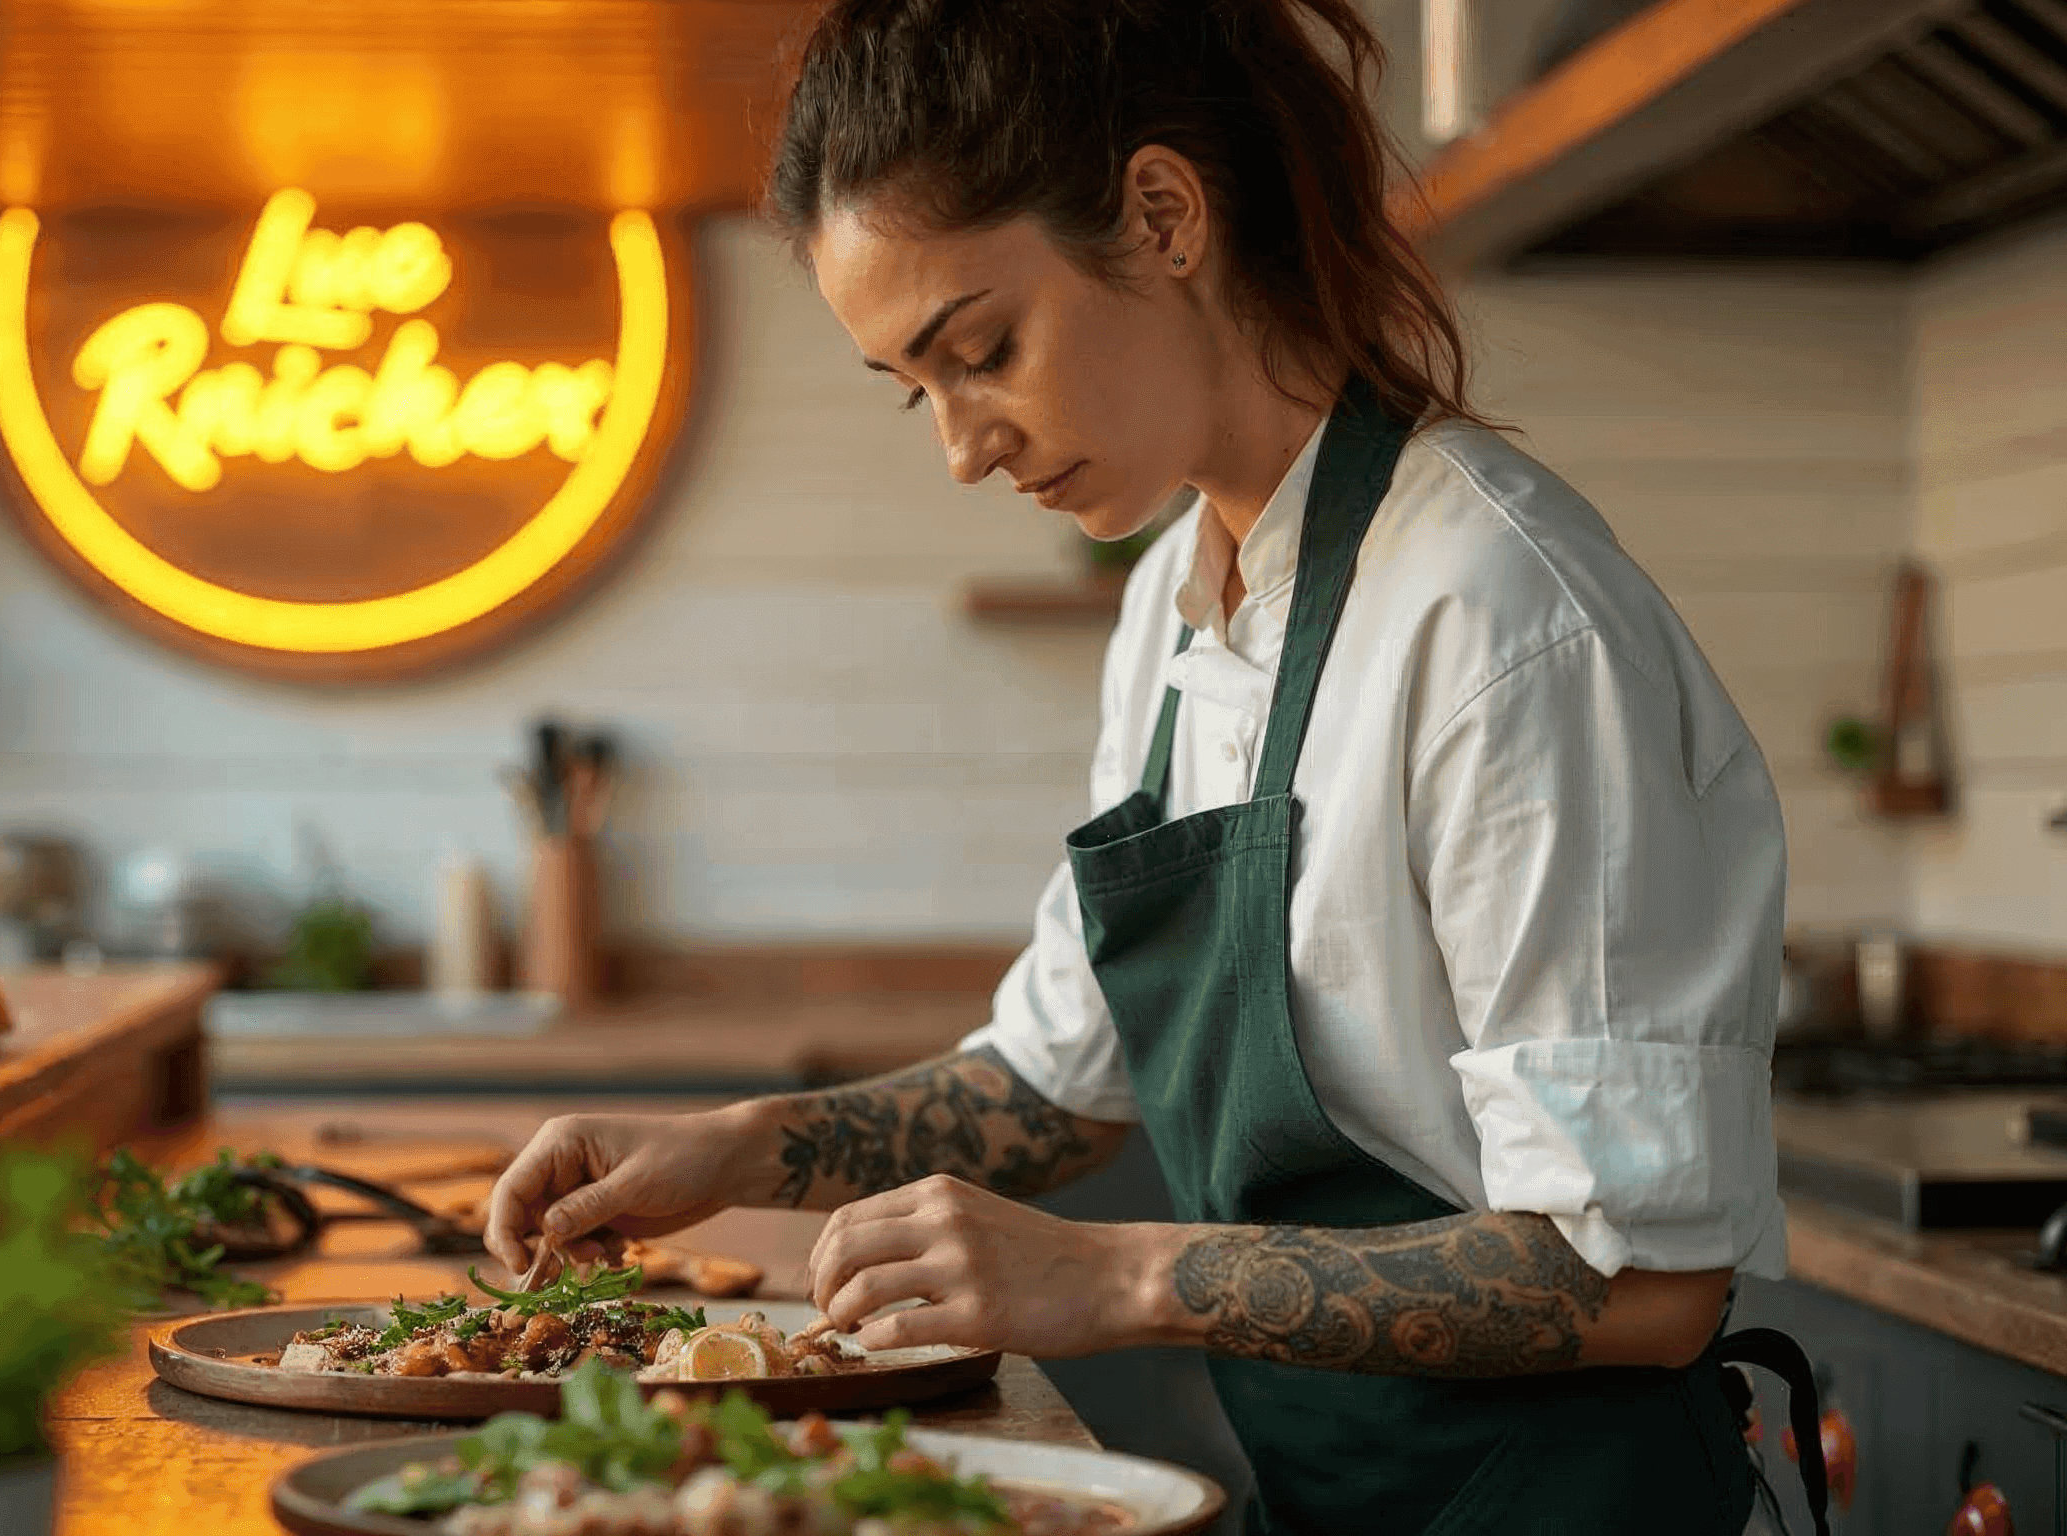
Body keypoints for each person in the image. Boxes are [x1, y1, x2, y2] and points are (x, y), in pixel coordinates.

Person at [484, 2, 1830, 1531]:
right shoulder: (1177, 609)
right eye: (915, 387)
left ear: (1165, 215)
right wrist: (735, 1151)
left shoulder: (1498, 613)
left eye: (980, 351)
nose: (962, 446)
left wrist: (1119, 1274)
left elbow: (1639, 1279)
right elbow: (1053, 1090)